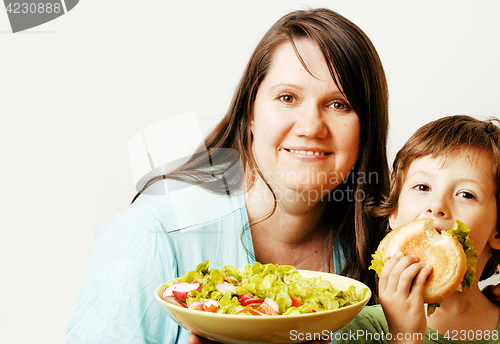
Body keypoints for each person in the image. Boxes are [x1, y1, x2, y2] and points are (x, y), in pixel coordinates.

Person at [66, 8, 391, 344]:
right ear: (249, 114)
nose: (311, 127)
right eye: (287, 98)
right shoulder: (150, 234)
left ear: (366, 128)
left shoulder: (380, 245)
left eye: (339, 104)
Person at [338, 115, 500, 343]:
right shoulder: (363, 327)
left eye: (466, 194)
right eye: (423, 187)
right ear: (394, 212)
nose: (436, 206)